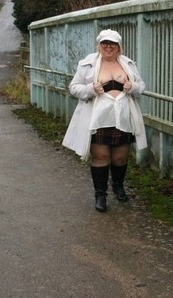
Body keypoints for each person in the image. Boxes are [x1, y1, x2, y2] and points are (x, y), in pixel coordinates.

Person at [62, 29, 147, 212]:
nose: (108, 47)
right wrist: (91, 89)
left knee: (120, 156)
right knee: (101, 156)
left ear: (119, 47)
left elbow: (141, 87)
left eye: (113, 44)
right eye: (105, 43)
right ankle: (100, 195)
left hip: (122, 117)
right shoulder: (88, 65)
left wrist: (132, 87)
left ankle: (118, 186)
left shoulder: (128, 65)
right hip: (98, 118)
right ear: (99, 45)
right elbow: (74, 88)